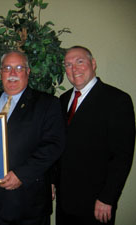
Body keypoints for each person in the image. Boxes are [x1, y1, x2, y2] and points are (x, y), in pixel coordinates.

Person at [0, 50, 65, 225]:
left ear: (27, 72)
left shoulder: (47, 104)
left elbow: (53, 145)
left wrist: (21, 174)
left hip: (28, 203)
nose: (12, 74)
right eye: (7, 68)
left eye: (19, 68)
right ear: (1, 72)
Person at [55, 46, 135, 225]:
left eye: (79, 62)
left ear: (93, 64)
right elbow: (59, 146)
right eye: (68, 64)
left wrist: (108, 198)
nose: (74, 68)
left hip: (96, 203)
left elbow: (122, 156)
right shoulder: (62, 100)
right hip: (65, 201)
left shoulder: (117, 100)